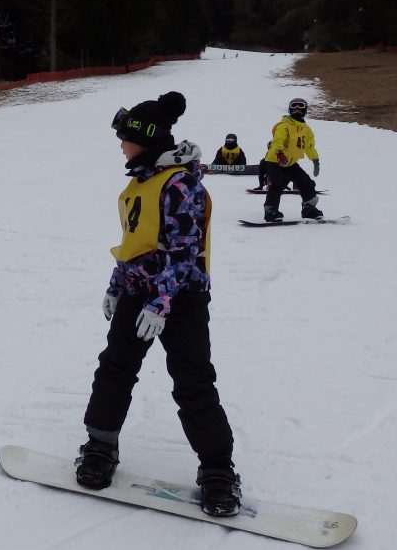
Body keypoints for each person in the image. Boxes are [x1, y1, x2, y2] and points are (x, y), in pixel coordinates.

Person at [76, 91, 242, 518]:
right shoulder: (139, 183)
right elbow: (134, 246)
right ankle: (100, 445)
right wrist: (117, 285)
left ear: (146, 140)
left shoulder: (181, 184)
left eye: (125, 137)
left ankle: (218, 469)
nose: (120, 145)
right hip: (137, 296)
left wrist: (162, 302)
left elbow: (183, 252)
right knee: (115, 367)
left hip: (181, 299)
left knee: (193, 382)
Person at [262, 98, 322, 221]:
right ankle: (270, 211)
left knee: (306, 183)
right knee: (277, 183)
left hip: (290, 163)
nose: (297, 110)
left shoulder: (306, 129)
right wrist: (279, 153)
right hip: (275, 161)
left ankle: (309, 209)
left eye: (300, 107)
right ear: (290, 109)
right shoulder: (284, 126)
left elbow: (309, 147)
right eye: (294, 107)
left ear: (305, 110)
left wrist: (315, 161)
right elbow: (277, 141)